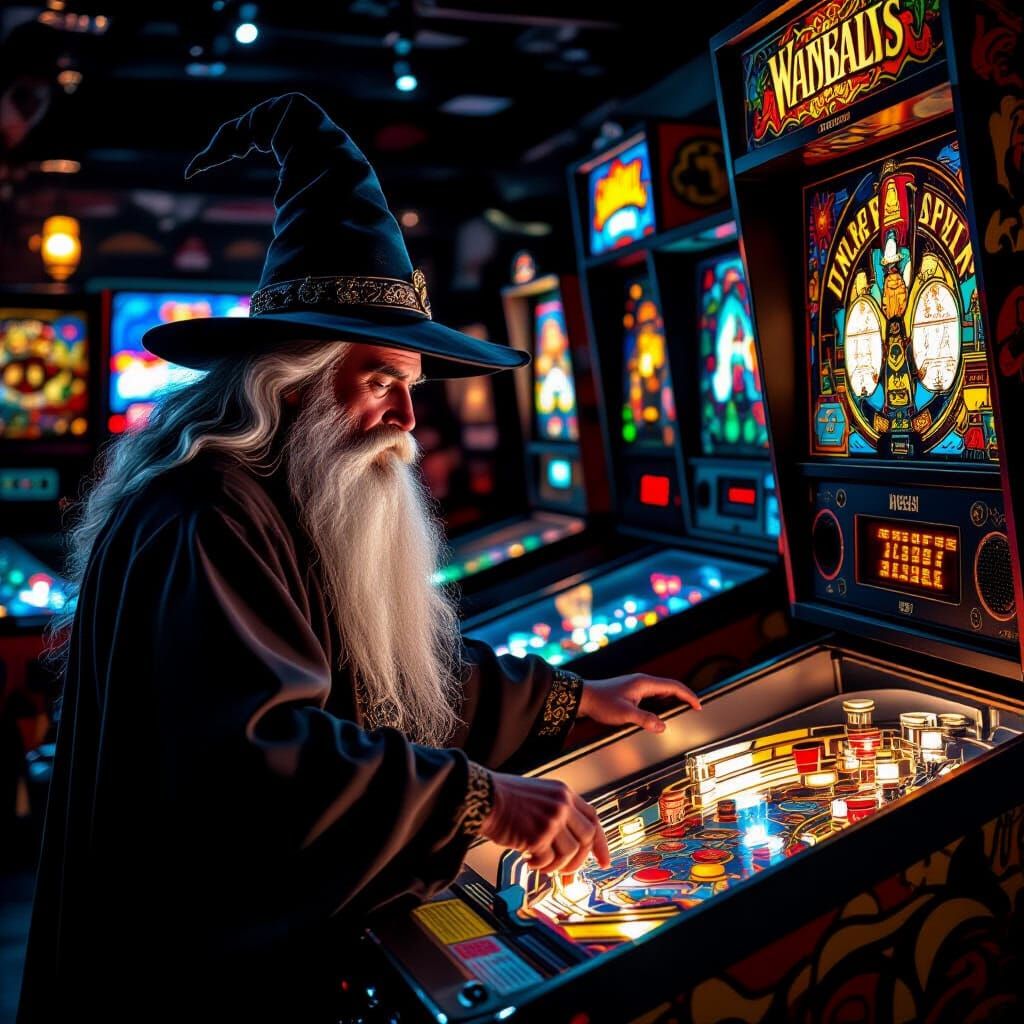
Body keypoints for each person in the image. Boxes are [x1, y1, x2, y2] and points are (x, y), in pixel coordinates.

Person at [18, 94, 700, 1021]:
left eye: (412, 387)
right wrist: (482, 802)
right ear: (292, 376)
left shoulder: (276, 493)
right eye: (382, 379)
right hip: (196, 982)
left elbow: (376, 679)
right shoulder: (208, 513)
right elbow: (259, 761)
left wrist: (572, 701)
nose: (409, 420)